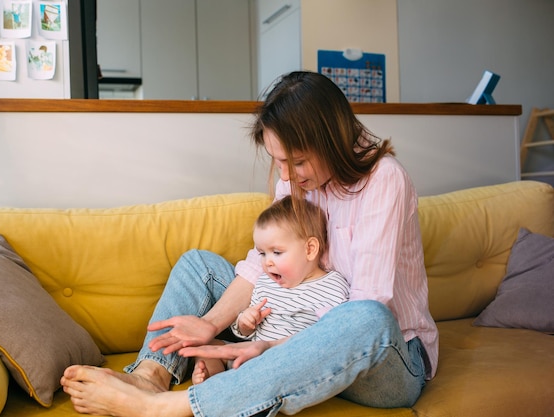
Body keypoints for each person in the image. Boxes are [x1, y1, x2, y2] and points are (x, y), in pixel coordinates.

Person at [61, 71, 439, 417]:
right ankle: (151, 376)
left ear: (332, 141)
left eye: (299, 162)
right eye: (279, 162)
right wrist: (210, 323)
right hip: (296, 322)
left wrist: (271, 348)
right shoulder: (295, 182)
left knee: (366, 316)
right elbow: (263, 263)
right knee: (200, 266)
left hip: (386, 358)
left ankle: (164, 408)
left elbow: (365, 308)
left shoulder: (384, 179)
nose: (288, 175)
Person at [192, 195, 350, 384]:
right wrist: (245, 322)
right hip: (249, 357)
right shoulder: (266, 282)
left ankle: (224, 389)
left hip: (286, 366)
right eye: (262, 253)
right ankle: (213, 383)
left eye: (276, 252)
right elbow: (245, 334)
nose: (267, 262)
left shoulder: (332, 286)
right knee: (206, 347)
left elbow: (331, 336)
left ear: (310, 249)